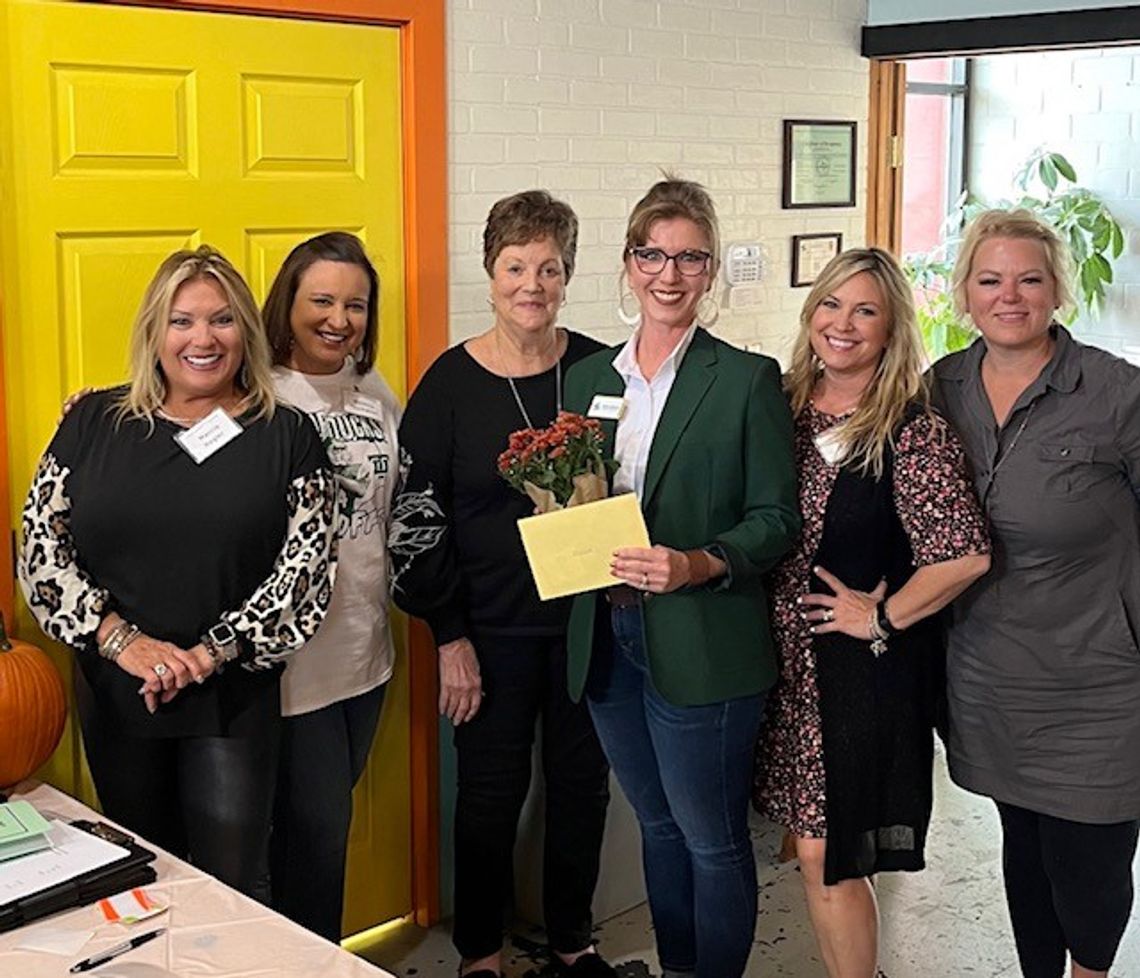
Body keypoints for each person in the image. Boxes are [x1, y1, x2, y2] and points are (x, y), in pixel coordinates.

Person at [18, 245, 337, 899]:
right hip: (118, 696)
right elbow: (40, 549)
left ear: (244, 332)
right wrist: (122, 642)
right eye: (182, 320)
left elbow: (306, 569)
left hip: (230, 699)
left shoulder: (288, 435)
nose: (203, 339)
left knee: (231, 886)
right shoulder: (91, 423)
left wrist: (207, 654)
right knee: (140, 883)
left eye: (221, 320)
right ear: (154, 332)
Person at [562, 177, 800, 978]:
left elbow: (775, 519)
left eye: (689, 257)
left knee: (709, 836)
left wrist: (695, 563)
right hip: (607, 635)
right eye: (652, 255)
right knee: (657, 827)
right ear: (628, 263)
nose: (669, 274)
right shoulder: (588, 377)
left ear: (710, 269)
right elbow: (568, 495)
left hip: (703, 637)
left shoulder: (743, 379)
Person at [391, 191, 614, 978]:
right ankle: (480, 952)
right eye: (516, 266)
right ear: (489, 274)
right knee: (490, 794)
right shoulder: (447, 387)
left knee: (582, 789)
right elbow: (414, 523)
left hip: (587, 627)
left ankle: (572, 939)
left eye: (549, 268)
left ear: (567, 276)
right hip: (487, 631)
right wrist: (448, 636)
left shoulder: (599, 371)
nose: (533, 284)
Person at [752, 247, 991, 978]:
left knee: (832, 849)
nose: (843, 325)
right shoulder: (780, 407)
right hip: (781, 666)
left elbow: (964, 553)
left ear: (891, 331)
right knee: (813, 847)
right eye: (831, 304)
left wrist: (881, 618)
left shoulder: (908, 429)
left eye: (865, 311)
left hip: (857, 673)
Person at [931, 209, 1140, 978]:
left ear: (1057, 290)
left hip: (1100, 682)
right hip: (988, 678)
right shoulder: (939, 387)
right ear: (965, 294)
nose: (1008, 296)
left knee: (1089, 858)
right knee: (1024, 849)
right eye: (990, 279)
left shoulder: (1116, 393)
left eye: (1028, 279)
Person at [261, 232, 402, 941]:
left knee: (318, 833)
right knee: (315, 838)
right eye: (321, 300)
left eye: (355, 305)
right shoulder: (251, 395)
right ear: (288, 302)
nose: (338, 319)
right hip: (294, 667)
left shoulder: (373, 392)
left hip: (366, 653)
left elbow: (404, 506)